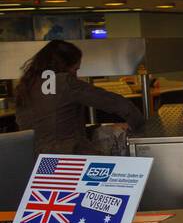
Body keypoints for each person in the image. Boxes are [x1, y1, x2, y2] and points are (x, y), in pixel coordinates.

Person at [14, 39, 145, 154]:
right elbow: (115, 103)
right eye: (75, 69)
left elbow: (50, 126)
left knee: (52, 182)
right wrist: (140, 127)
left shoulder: (27, 84)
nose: (75, 75)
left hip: (33, 158)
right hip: (67, 157)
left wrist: (96, 129)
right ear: (63, 65)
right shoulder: (65, 82)